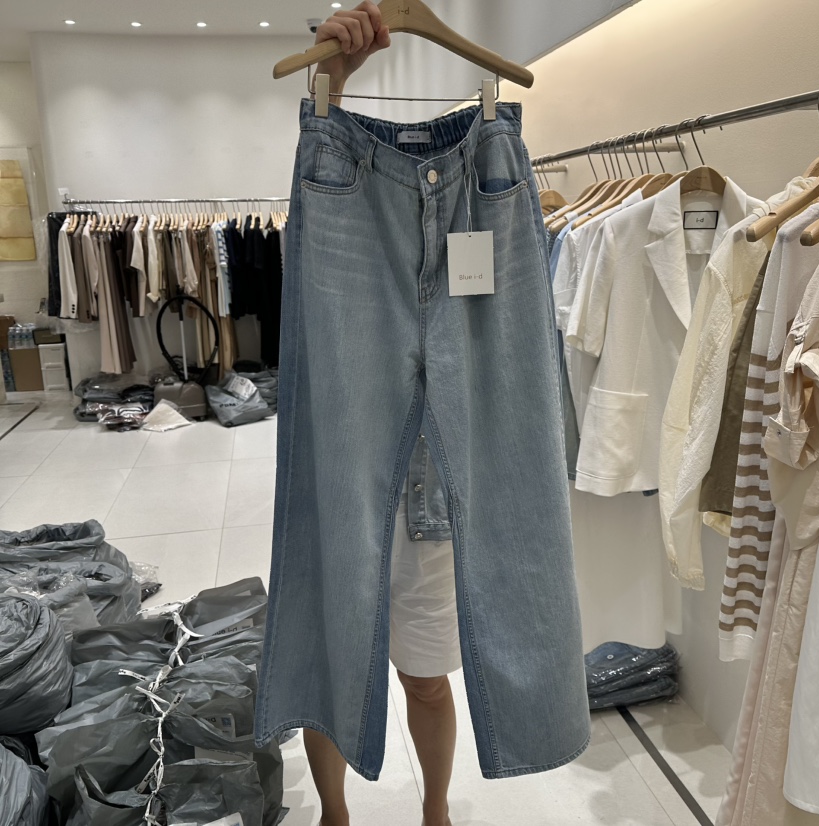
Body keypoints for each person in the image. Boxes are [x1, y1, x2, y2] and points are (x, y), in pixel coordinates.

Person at [300, 10, 460, 826]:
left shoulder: (473, 207)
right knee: (329, 675)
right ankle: (334, 814)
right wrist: (333, 76)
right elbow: (319, 146)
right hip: (342, 474)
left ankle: (436, 809)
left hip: (432, 493)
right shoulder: (332, 212)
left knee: (425, 677)